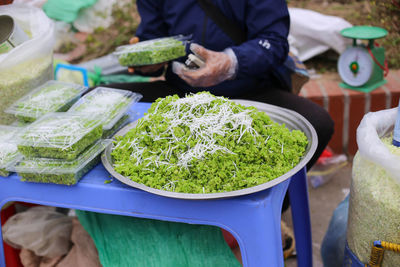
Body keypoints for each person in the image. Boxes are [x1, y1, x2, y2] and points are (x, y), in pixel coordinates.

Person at [107, 0, 334, 172]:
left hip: (250, 92)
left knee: (317, 124)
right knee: (104, 103)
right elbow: (152, 38)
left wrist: (230, 62)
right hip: (182, 94)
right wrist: (148, 63)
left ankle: (272, 207)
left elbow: (274, 42)